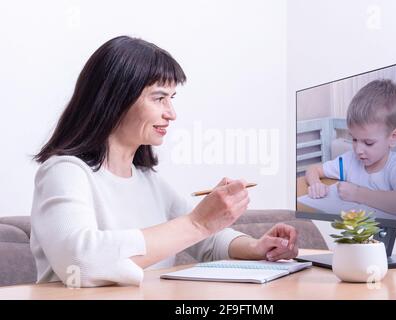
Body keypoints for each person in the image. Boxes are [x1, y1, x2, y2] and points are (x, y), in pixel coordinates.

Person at [30, 36, 299, 288]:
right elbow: (78, 264)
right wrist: (197, 222)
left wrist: (257, 247)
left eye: (171, 99)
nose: (172, 113)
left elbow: (208, 238)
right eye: (159, 98)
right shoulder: (64, 171)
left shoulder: (148, 180)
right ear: (115, 99)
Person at [305, 79, 396, 218]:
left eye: (368, 143)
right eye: (354, 139)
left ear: (393, 138)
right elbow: (313, 169)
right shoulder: (349, 160)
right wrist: (315, 184)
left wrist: (358, 194)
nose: (358, 150)